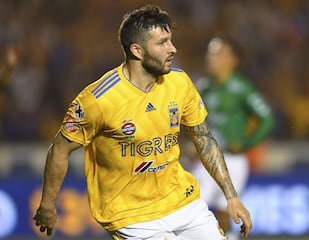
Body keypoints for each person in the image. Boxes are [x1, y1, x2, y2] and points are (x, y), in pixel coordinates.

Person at [33, 5, 252, 240]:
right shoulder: (98, 100)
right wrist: (47, 205)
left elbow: (203, 138)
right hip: (130, 216)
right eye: (162, 43)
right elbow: (60, 149)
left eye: (171, 41)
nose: (173, 49)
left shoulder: (179, 83)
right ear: (137, 50)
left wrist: (231, 196)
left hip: (182, 201)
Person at [191, 35, 274, 239]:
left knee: (224, 211)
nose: (211, 58)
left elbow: (266, 119)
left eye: (217, 53)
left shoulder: (241, 88)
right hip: (207, 159)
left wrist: (246, 144)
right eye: (210, 53)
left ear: (232, 59)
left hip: (233, 159)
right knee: (193, 204)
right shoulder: (203, 87)